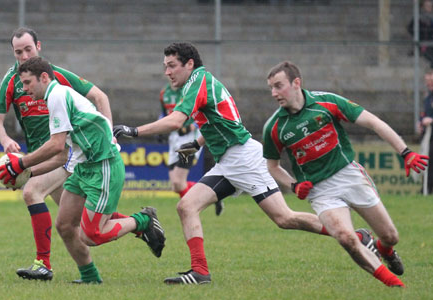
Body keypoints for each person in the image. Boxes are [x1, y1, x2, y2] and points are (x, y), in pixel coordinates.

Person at [113, 42, 373, 285]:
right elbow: (221, 119)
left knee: (284, 218)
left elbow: (175, 121)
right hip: (229, 161)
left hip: (244, 160)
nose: (167, 72)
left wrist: (133, 131)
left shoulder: (198, 80)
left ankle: (355, 236)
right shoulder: (201, 81)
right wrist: (197, 144)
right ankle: (200, 272)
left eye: (172, 66)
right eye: (165, 67)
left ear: (189, 64)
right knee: (186, 206)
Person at [0, 56, 166, 284]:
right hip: (84, 167)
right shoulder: (55, 98)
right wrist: (27, 174)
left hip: (104, 165)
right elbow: (60, 155)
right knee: (65, 224)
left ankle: (142, 221)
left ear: (44, 77)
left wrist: (22, 164)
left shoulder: (57, 96)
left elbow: (55, 144)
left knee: (91, 235)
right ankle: (90, 278)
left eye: (27, 83)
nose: (24, 89)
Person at [263, 61, 429, 287]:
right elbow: (272, 166)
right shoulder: (274, 126)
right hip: (320, 191)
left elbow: (374, 123)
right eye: (271, 88)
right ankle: (395, 286)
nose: (274, 93)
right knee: (345, 237)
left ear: (296, 83)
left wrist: (406, 152)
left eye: (278, 86)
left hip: (349, 176)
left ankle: (384, 249)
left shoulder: (327, 102)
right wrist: (293, 185)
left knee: (391, 236)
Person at [0, 27, 113, 281]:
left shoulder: (52, 76)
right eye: (18, 52)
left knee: (31, 191)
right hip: (40, 155)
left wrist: (107, 136)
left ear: (39, 47)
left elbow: (100, 97)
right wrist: (5, 140)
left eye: (28, 50)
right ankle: (141, 224)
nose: (23, 56)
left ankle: (42, 264)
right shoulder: (11, 80)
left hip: (62, 152)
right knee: (73, 216)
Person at [159, 81, 224, 215]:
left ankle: (190, 209)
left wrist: (191, 127)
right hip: (174, 138)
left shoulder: (189, 92)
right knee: (176, 186)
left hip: (190, 138)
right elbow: (163, 114)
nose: (170, 74)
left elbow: (203, 112)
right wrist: (160, 128)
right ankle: (214, 195)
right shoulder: (164, 93)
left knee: (178, 181)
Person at [418, 69, 433, 193]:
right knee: (427, 160)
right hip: (428, 135)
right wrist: (421, 121)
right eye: (427, 80)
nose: (428, 83)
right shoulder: (428, 97)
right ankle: (426, 188)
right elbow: (424, 113)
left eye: (430, 80)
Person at [407, 0, 433, 67]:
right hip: (423, 44)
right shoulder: (418, 18)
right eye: (427, 6)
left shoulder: (431, 18)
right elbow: (410, 28)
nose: (429, 7)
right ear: (423, 7)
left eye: (430, 6)